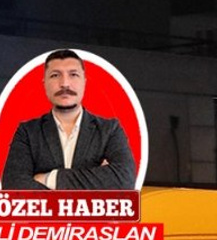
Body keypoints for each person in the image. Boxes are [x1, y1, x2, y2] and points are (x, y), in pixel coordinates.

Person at [1, 49, 136, 190]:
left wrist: (50, 178)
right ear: (44, 83)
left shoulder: (109, 129)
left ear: (84, 82)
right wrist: (97, 179)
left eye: (73, 75)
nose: (65, 83)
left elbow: (125, 178)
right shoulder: (27, 132)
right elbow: (13, 184)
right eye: (55, 75)